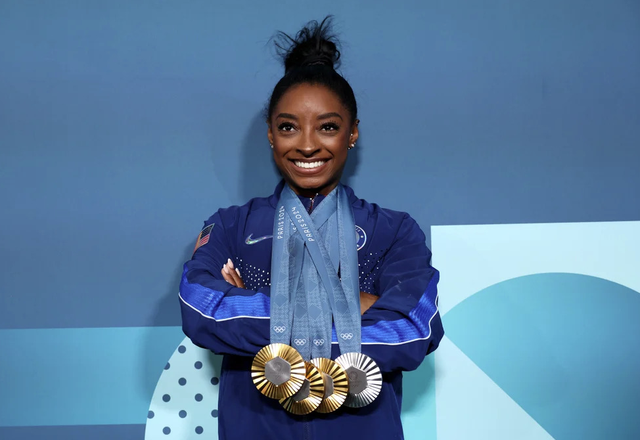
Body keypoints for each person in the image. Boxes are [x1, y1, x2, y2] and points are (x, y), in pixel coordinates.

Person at [179, 17, 444, 440]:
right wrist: (357, 304)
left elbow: (414, 331)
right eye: (288, 127)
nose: (306, 144)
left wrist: (253, 301)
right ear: (270, 134)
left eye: (327, 126)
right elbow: (199, 308)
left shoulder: (393, 230)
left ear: (352, 133)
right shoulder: (230, 225)